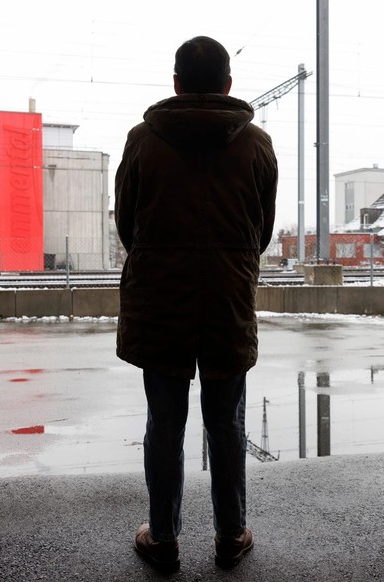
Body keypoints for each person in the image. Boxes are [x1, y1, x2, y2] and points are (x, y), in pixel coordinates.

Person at [114, 35, 278, 571]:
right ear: (228, 86)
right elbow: (261, 232)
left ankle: (162, 538)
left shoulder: (143, 141)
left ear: (178, 84)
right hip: (228, 300)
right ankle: (231, 535)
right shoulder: (256, 146)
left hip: (161, 302)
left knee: (164, 423)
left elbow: (126, 226)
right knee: (226, 421)